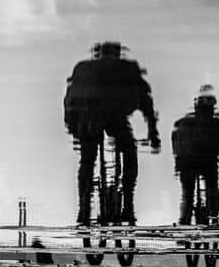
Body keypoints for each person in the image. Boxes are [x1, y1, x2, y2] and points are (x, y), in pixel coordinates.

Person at [62, 42, 159, 225]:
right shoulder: (127, 68)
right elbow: (145, 99)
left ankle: (83, 206)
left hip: (88, 119)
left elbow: (70, 99)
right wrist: (153, 131)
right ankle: (128, 201)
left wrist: (72, 127)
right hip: (115, 118)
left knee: (87, 160)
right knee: (129, 151)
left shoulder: (83, 68)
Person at [170, 86, 219, 225]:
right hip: (207, 162)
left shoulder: (182, 123)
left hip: (186, 163)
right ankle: (214, 217)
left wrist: (177, 163)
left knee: (187, 194)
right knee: (212, 188)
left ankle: (184, 220)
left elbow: (176, 145)